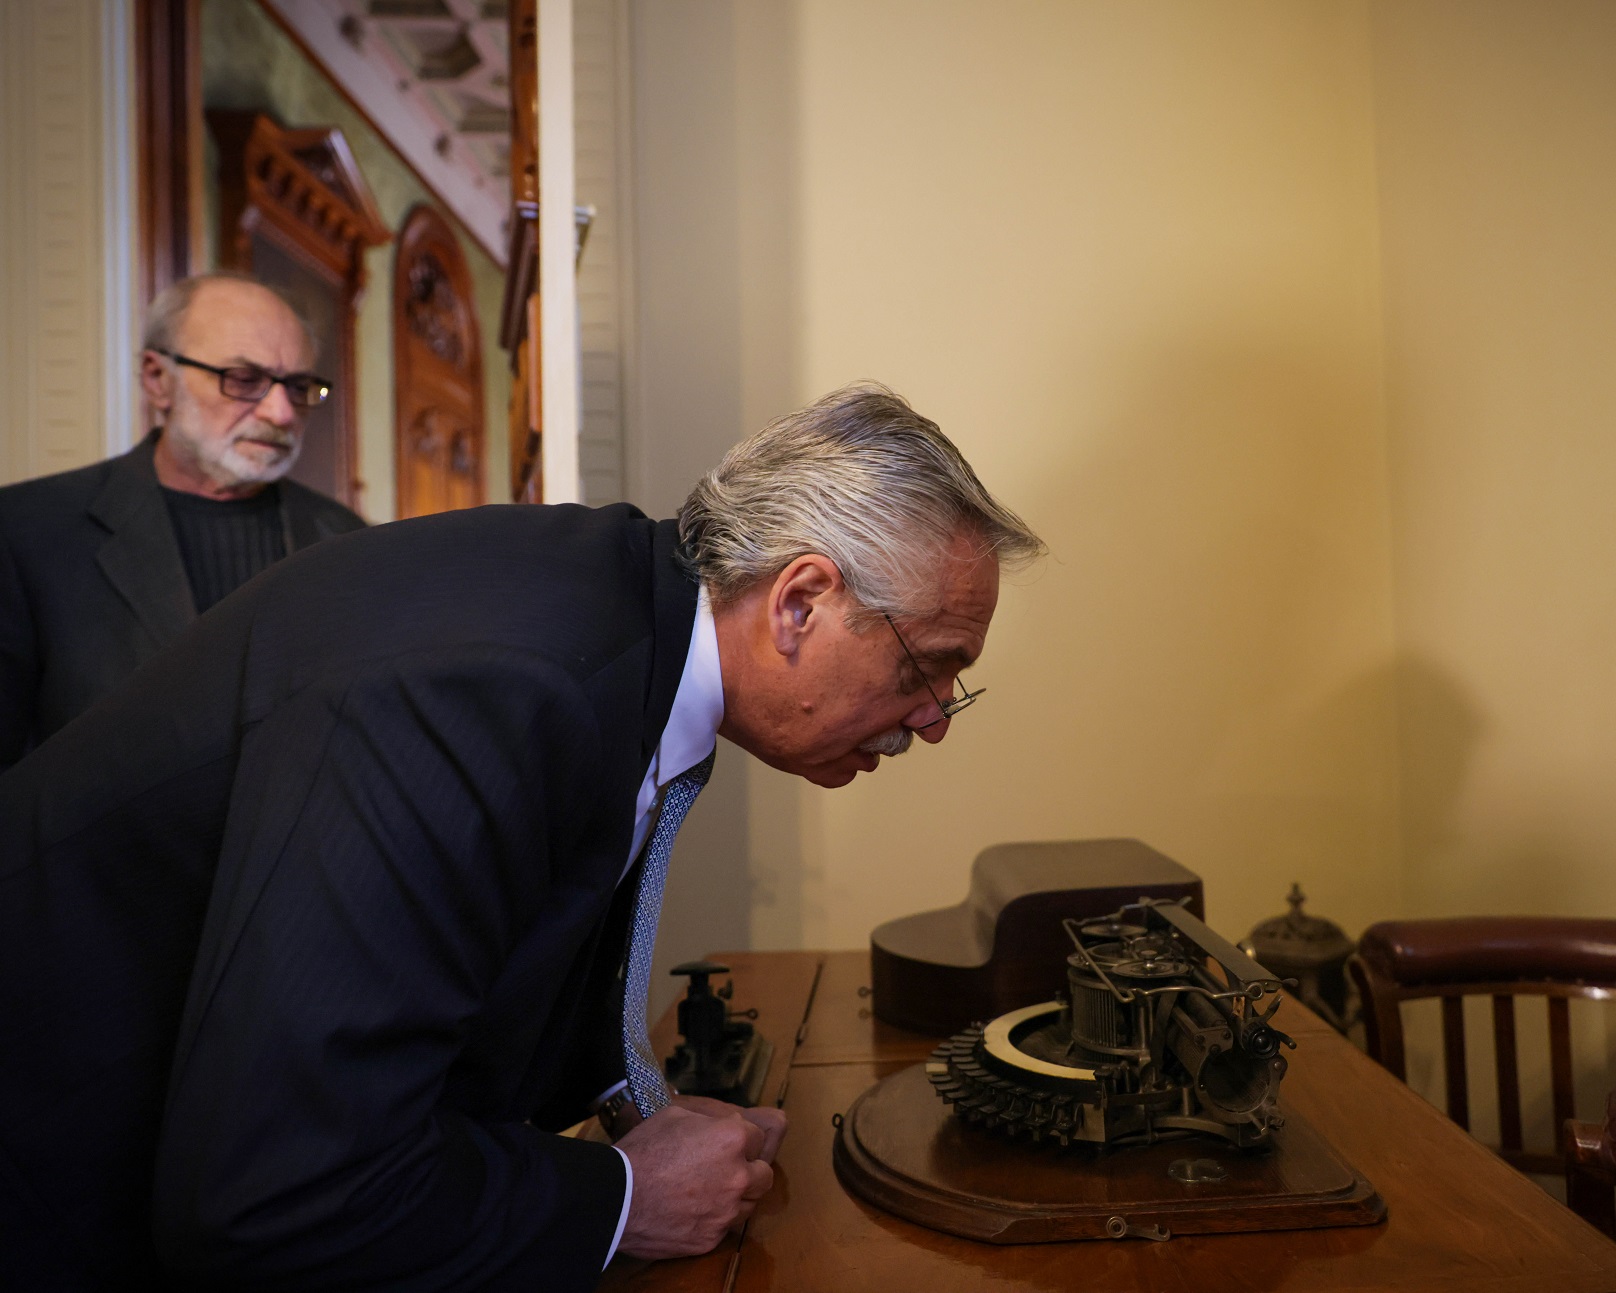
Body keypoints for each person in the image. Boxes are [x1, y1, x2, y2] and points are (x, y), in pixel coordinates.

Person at [0, 383, 1044, 1290]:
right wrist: (622, 1199)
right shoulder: (485, 689)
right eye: (925, 665)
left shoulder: (626, 624)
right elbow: (281, 1190)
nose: (935, 716)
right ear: (801, 603)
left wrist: (636, 1106)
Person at [0, 271, 364, 770]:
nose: (281, 412)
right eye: (243, 379)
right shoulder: (26, 530)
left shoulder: (346, 538)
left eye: (299, 386)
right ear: (158, 380)